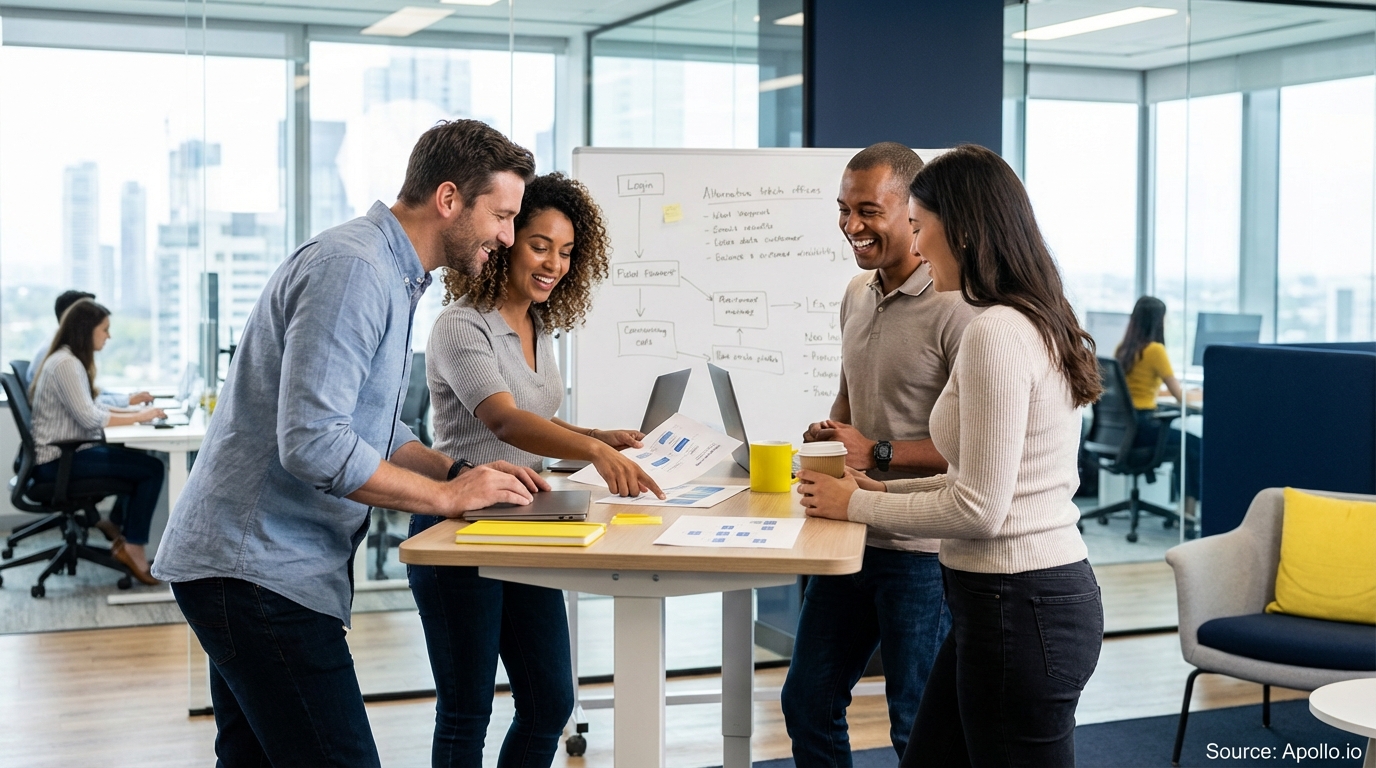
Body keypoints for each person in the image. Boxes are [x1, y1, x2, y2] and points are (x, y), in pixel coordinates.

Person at [152, 120, 550, 768]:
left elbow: (371, 429)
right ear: (449, 199)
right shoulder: (356, 269)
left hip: (248, 567)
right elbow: (312, 442)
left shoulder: (391, 277)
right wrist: (446, 496)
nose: (506, 237)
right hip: (256, 570)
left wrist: (459, 467)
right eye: (502, 216)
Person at [798, 144, 1105, 767]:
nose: (916, 242)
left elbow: (980, 508)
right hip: (1002, 601)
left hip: (1021, 604)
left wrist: (858, 502)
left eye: (918, 225)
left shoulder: (993, 330)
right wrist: (878, 493)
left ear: (956, 230)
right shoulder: (1026, 319)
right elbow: (980, 484)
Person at [414, 172, 663, 767]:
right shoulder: (462, 324)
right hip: (464, 533)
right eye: (540, 245)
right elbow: (503, 421)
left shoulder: (538, 323)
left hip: (527, 525)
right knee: (466, 713)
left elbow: (535, 419)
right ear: (507, 242)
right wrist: (596, 454)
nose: (554, 263)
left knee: (550, 703)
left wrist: (594, 436)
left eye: (567, 251)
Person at [783, 142, 979, 766]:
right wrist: (831, 436)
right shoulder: (855, 292)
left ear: (912, 209)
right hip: (849, 534)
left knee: (915, 727)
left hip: (920, 551)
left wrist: (878, 451)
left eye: (868, 210)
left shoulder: (958, 308)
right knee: (807, 701)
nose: (852, 226)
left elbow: (972, 454)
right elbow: (849, 400)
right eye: (843, 210)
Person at [28, 299, 166, 584]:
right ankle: (133, 546)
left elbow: (92, 406)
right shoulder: (66, 363)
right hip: (59, 461)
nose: (108, 336)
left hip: (67, 454)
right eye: (104, 329)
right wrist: (140, 415)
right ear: (85, 330)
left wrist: (136, 413)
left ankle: (120, 529)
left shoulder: (68, 359)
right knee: (151, 468)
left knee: (141, 462)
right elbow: (91, 417)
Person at [1114, 295, 1203, 524]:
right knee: (1192, 444)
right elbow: (1179, 395)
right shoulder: (1155, 350)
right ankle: (1189, 511)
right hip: (1144, 427)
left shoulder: (1123, 349)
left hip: (1125, 431)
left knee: (1186, 442)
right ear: (1157, 321)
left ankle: (1185, 508)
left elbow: (1135, 391)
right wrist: (1200, 394)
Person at [24, 289, 153, 407]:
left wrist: (126, 398)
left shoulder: (65, 350)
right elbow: (88, 408)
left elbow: (91, 395)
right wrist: (130, 404)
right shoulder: (62, 359)